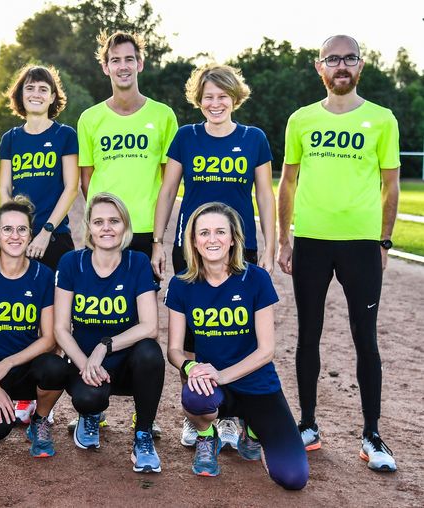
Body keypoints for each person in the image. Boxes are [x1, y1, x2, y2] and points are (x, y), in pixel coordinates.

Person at [277, 35, 400, 472]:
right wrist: (284, 239)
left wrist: (384, 240)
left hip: (361, 244)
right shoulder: (301, 119)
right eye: (334, 59)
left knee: (364, 337)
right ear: (320, 67)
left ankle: (372, 434)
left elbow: (391, 185)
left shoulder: (382, 119)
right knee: (307, 334)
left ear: (361, 65)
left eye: (349, 58)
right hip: (310, 240)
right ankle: (308, 424)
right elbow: (287, 181)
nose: (341, 65)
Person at [151, 63, 276, 449]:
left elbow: (265, 196)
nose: (215, 103)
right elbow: (169, 190)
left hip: (240, 247)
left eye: (222, 96)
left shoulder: (253, 138)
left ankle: (231, 416)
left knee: (236, 329)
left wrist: (271, 245)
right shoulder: (186, 137)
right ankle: (198, 411)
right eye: (208, 97)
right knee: (189, 334)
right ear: (198, 100)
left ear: (235, 98)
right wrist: (158, 240)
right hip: (192, 248)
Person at [165, 202, 308, 489]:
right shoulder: (182, 284)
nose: (212, 239)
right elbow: (174, 350)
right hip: (214, 387)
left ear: (233, 239)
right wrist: (191, 366)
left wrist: (221, 374)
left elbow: (267, 350)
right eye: (203, 233)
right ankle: (207, 436)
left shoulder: (255, 279)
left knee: (294, 478)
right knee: (194, 396)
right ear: (193, 240)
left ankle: (252, 431)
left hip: (258, 385)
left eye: (220, 231)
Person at [52, 192, 164, 473]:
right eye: (99, 221)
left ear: (125, 227)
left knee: (151, 353)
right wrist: (85, 364)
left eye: (114, 221)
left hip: (125, 364)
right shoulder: (70, 263)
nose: (106, 228)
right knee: (89, 398)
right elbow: (60, 329)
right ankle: (90, 416)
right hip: (86, 365)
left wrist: (105, 346)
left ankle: (143, 435)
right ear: (88, 227)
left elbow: (151, 327)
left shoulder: (137, 262)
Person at [0, 197, 65, 458]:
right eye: (7, 229)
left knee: (57, 367)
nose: (14, 236)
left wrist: (7, 363)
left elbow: (50, 338)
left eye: (22, 229)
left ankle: (39, 420)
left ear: (31, 234)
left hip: (22, 367)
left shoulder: (43, 275)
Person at [77, 31, 178, 261]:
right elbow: (87, 180)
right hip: (104, 232)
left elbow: (168, 184)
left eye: (129, 59)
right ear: (105, 67)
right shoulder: (89, 119)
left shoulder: (164, 116)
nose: (123, 66)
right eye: (115, 60)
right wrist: (103, 219)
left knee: (145, 297)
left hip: (145, 228)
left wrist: (158, 240)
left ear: (139, 64)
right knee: (102, 296)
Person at [0, 64, 79, 271]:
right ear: (20, 95)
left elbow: (71, 188)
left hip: (54, 236)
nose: (36, 94)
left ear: (52, 97)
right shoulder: (10, 139)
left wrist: (46, 232)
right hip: (18, 239)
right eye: (30, 88)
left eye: (43, 89)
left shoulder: (65, 135)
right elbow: (4, 190)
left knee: (58, 302)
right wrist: (15, 232)